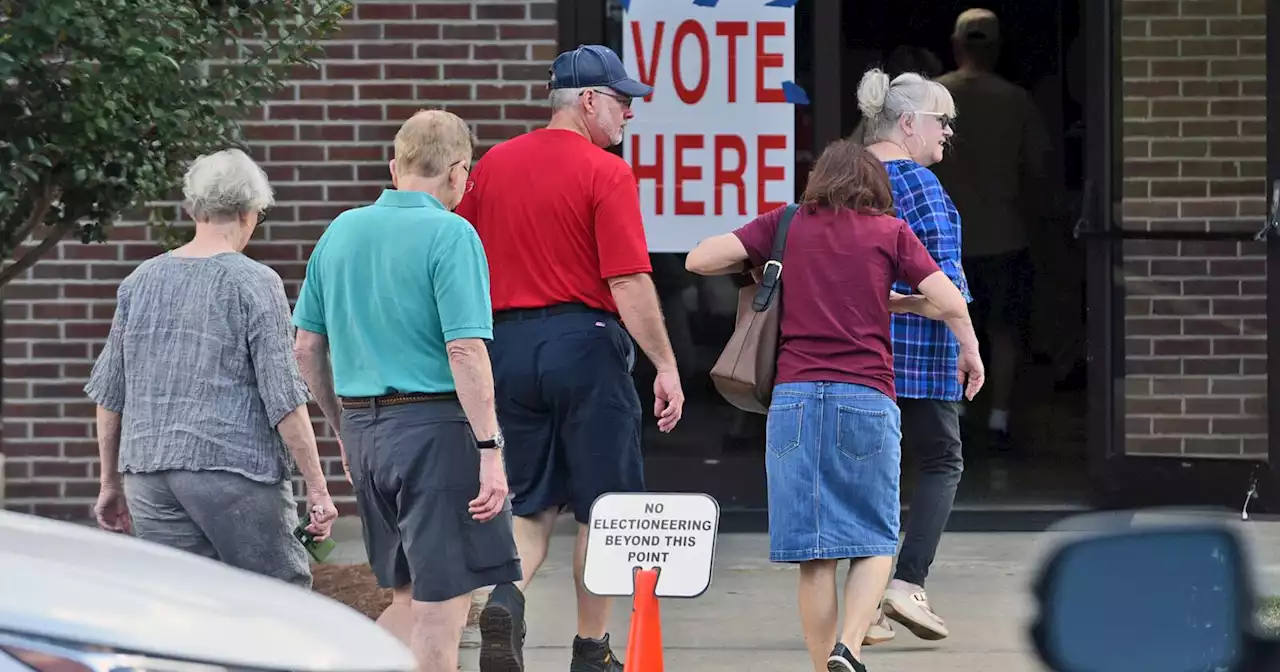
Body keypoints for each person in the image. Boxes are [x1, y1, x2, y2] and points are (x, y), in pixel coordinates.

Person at [685, 140, 982, 672]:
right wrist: (898, 301)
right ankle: (849, 644)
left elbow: (699, 258)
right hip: (866, 397)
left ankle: (825, 665)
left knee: (813, 555)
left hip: (794, 400)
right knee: (873, 539)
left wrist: (766, 268)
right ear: (874, 187)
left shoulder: (788, 223)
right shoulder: (889, 232)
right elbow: (950, 300)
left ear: (819, 179)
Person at [453, 44, 685, 672]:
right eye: (623, 101)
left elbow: (460, 253)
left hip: (508, 349)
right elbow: (629, 283)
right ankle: (591, 650)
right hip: (585, 346)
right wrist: (665, 363)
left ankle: (506, 597)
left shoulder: (492, 166)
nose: (630, 116)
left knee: (528, 503)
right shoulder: (604, 172)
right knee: (602, 509)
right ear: (588, 101)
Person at [292, 110, 522, 672]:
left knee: (407, 598)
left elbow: (304, 348)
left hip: (367, 431)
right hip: (436, 434)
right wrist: (490, 450)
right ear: (459, 171)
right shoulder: (451, 232)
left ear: (394, 167)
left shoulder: (340, 230)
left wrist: (343, 426)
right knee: (443, 612)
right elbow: (465, 350)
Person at [85, 148, 336, 588]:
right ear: (249, 212)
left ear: (191, 208)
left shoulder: (138, 281)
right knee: (278, 600)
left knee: (182, 612)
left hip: (148, 476)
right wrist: (317, 486)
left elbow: (110, 397)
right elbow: (283, 399)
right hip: (233, 471)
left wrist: (110, 483)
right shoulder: (255, 282)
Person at [854, 68, 980, 646]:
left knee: (871, 478)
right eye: (942, 120)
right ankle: (906, 584)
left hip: (854, 357)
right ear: (908, 124)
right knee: (941, 463)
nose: (949, 132)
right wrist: (968, 343)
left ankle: (866, 609)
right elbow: (945, 287)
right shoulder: (922, 187)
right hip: (921, 361)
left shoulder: (844, 179)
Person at [932, 8, 1054, 452]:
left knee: (949, 327)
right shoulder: (1016, 101)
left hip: (943, 238)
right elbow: (1039, 168)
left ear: (957, 43)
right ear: (997, 46)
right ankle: (999, 420)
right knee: (1003, 332)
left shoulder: (934, 98)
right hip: (1004, 233)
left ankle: (956, 414)